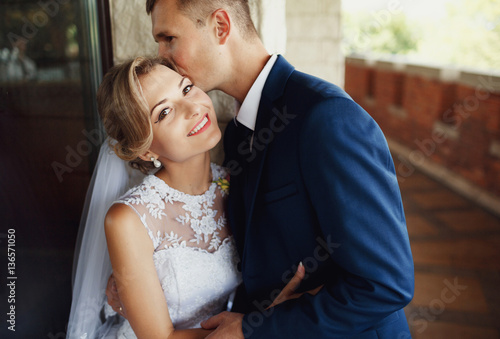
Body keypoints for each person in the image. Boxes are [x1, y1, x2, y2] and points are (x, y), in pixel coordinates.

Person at [107, 0, 415, 338]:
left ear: (220, 27)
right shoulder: (237, 132)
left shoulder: (326, 118)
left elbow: (385, 284)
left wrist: (259, 328)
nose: (164, 56)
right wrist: (141, 288)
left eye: (169, 39)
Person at [67, 56, 307, 339]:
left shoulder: (235, 183)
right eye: (165, 112)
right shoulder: (129, 219)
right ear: (145, 151)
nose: (193, 107)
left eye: (186, 88)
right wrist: (257, 328)